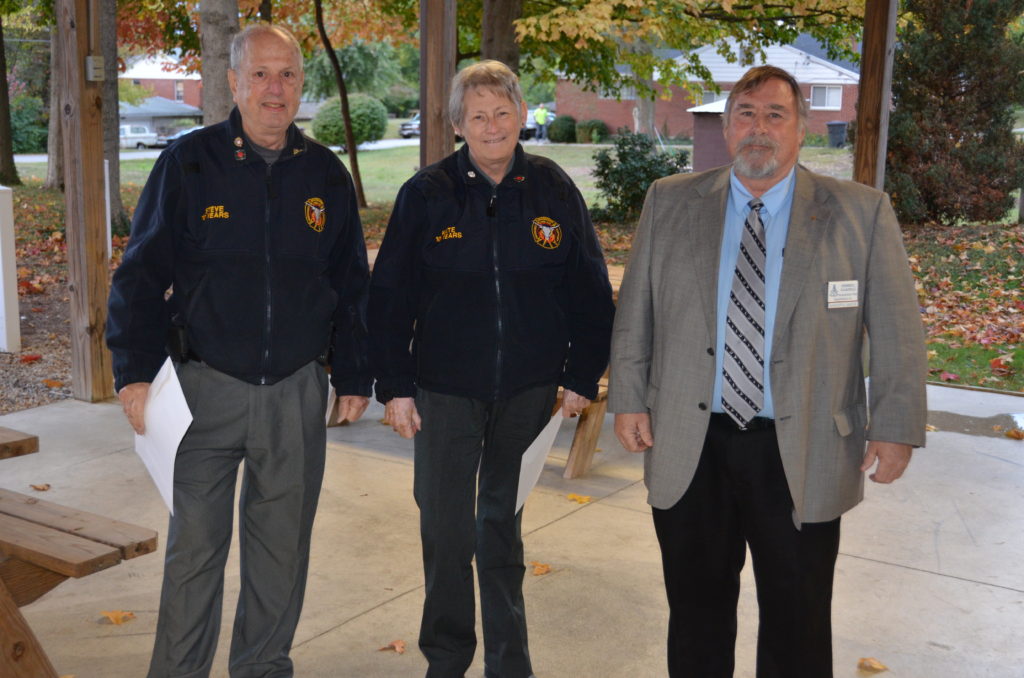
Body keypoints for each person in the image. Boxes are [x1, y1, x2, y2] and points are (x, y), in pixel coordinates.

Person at [609, 65, 927, 678]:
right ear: (727, 128)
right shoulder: (669, 200)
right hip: (690, 443)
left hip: (801, 447)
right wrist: (628, 395)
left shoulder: (860, 212)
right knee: (697, 612)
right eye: (746, 114)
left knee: (798, 617)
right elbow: (636, 311)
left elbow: (895, 329)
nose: (760, 129)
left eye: (775, 115)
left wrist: (895, 427)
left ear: (802, 130)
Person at [106, 24, 371, 677]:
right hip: (203, 390)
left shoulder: (325, 175)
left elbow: (351, 286)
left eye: (286, 75)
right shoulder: (190, 163)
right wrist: (134, 372)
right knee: (194, 552)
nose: (274, 89)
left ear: (301, 85)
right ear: (232, 83)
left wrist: (357, 373)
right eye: (260, 74)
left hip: (295, 391)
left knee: (280, 556)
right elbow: (140, 273)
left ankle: (261, 667)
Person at [368, 60, 614, 678]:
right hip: (444, 394)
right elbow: (389, 300)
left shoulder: (553, 189)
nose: (492, 124)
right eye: (477, 115)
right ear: (458, 125)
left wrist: (582, 376)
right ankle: (447, 660)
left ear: (522, 115)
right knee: (446, 535)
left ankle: (510, 664)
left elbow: (589, 292)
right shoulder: (427, 195)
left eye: (502, 112)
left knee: (500, 533)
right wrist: (394, 388)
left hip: (529, 395)